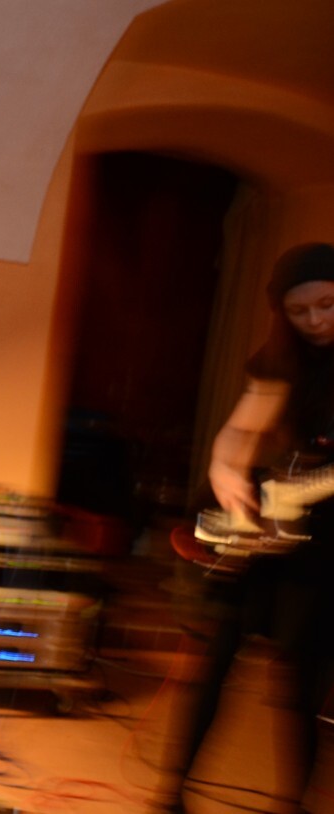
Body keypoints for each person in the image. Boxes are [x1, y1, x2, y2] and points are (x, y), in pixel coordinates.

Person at [186, 242, 334, 804]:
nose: (314, 321)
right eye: (299, 311)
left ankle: (293, 802)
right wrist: (224, 471)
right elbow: (238, 432)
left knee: (301, 684)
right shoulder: (282, 359)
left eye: (327, 305)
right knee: (216, 664)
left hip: (325, 547)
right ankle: (169, 795)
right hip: (275, 523)